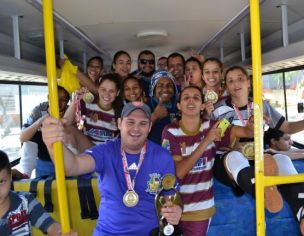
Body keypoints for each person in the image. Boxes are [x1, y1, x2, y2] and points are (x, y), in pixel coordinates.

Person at [212, 65, 304, 236]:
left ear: (248, 82)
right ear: (226, 86)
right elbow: (211, 140)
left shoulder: (261, 106)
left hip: (257, 156)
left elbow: (288, 127)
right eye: (230, 81)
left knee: (282, 160)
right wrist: (232, 144)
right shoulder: (218, 110)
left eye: (240, 78)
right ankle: (262, 191)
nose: (235, 83)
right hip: (227, 158)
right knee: (234, 157)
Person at [41, 102, 182, 235]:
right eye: (130, 122)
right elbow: (72, 167)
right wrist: (52, 144)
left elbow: (170, 198)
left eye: (143, 123)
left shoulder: (163, 157)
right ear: (120, 124)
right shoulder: (104, 151)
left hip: (150, 233)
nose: (136, 128)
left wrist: (176, 211)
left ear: (150, 127)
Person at [161, 85, 253, 236]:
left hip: (200, 210)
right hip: (172, 206)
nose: (191, 101)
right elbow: (179, 172)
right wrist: (206, 141)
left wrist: (252, 126)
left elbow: (243, 131)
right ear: (178, 105)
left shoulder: (213, 126)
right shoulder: (170, 131)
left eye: (196, 97)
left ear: (203, 105)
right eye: (186, 98)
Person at [0, 150, 76, 236]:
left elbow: (51, 226)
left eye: (1, 181)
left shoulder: (25, 202)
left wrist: (61, 232)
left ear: (10, 177)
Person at [18, 86, 70, 178]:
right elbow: (23, 137)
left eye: (63, 100)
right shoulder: (39, 110)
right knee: (31, 137)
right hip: (44, 159)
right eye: (55, 98)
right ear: (49, 98)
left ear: (67, 102)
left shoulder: (70, 112)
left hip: (64, 158)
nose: (58, 103)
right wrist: (44, 118)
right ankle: (25, 174)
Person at [64, 73, 122, 144]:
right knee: (68, 130)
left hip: (108, 151)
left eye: (111, 91)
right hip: (88, 148)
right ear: (98, 89)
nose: (107, 94)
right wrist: (76, 99)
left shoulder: (121, 111)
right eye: (103, 89)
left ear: (118, 92)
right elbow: (66, 123)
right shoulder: (87, 104)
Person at [149, 70, 179, 144]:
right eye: (160, 86)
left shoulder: (179, 106)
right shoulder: (145, 107)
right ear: (154, 89)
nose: (165, 89)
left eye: (169, 85)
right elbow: (138, 132)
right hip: (153, 153)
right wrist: (155, 116)